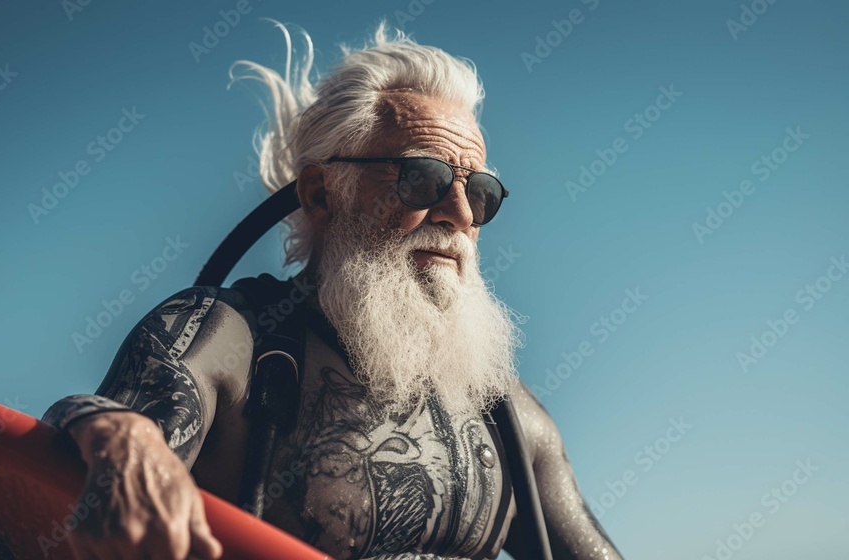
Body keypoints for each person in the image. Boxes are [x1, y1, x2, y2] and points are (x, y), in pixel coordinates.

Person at [43, 21, 623, 560]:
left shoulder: (506, 413)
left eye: (481, 193)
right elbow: (81, 475)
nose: (458, 213)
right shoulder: (227, 338)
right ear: (322, 195)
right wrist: (110, 426)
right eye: (422, 178)